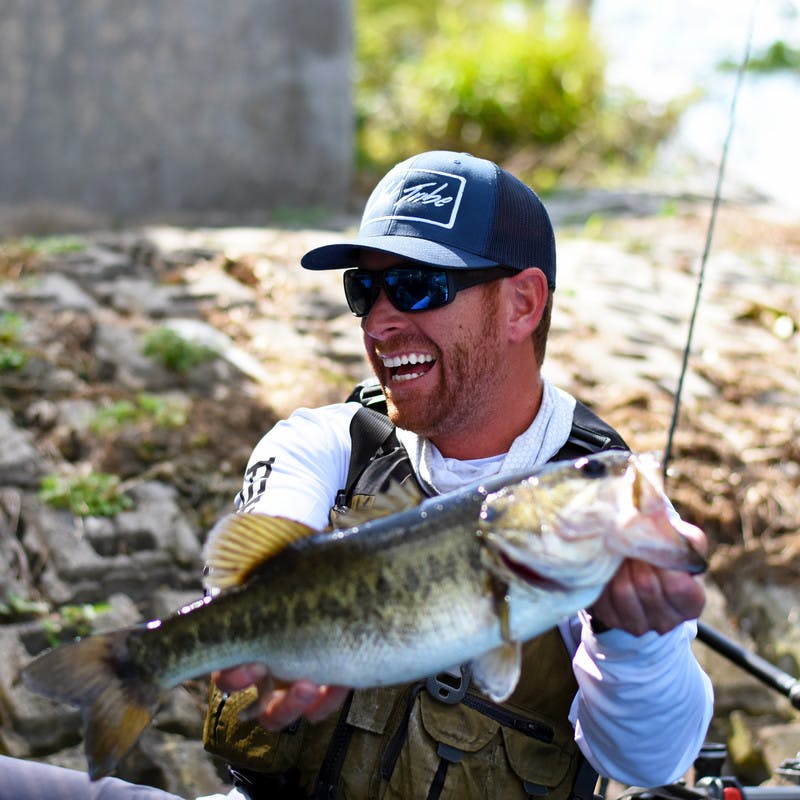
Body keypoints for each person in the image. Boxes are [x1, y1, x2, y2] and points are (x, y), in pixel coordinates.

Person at [3, 150, 711, 800]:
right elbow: (254, 566)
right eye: (365, 290)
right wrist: (277, 641)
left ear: (522, 303)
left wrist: (632, 643)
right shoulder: (325, 443)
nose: (380, 322)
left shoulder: (598, 506)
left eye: (418, 286)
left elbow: (647, 762)